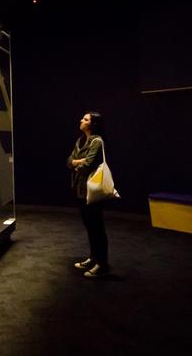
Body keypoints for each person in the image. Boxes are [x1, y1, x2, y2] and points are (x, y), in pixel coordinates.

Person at [66, 111, 110, 278]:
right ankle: (93, 257)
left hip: (92, 190)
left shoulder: (97, 141)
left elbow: (87, 165)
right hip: (79, 190)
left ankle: (101, 263)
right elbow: (68, 161)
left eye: (85, 119)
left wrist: (77, 163)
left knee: (97, 227)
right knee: (89, 227)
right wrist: (77, 162)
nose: (81, 120)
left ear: (93, 124)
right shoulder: (80, 141)